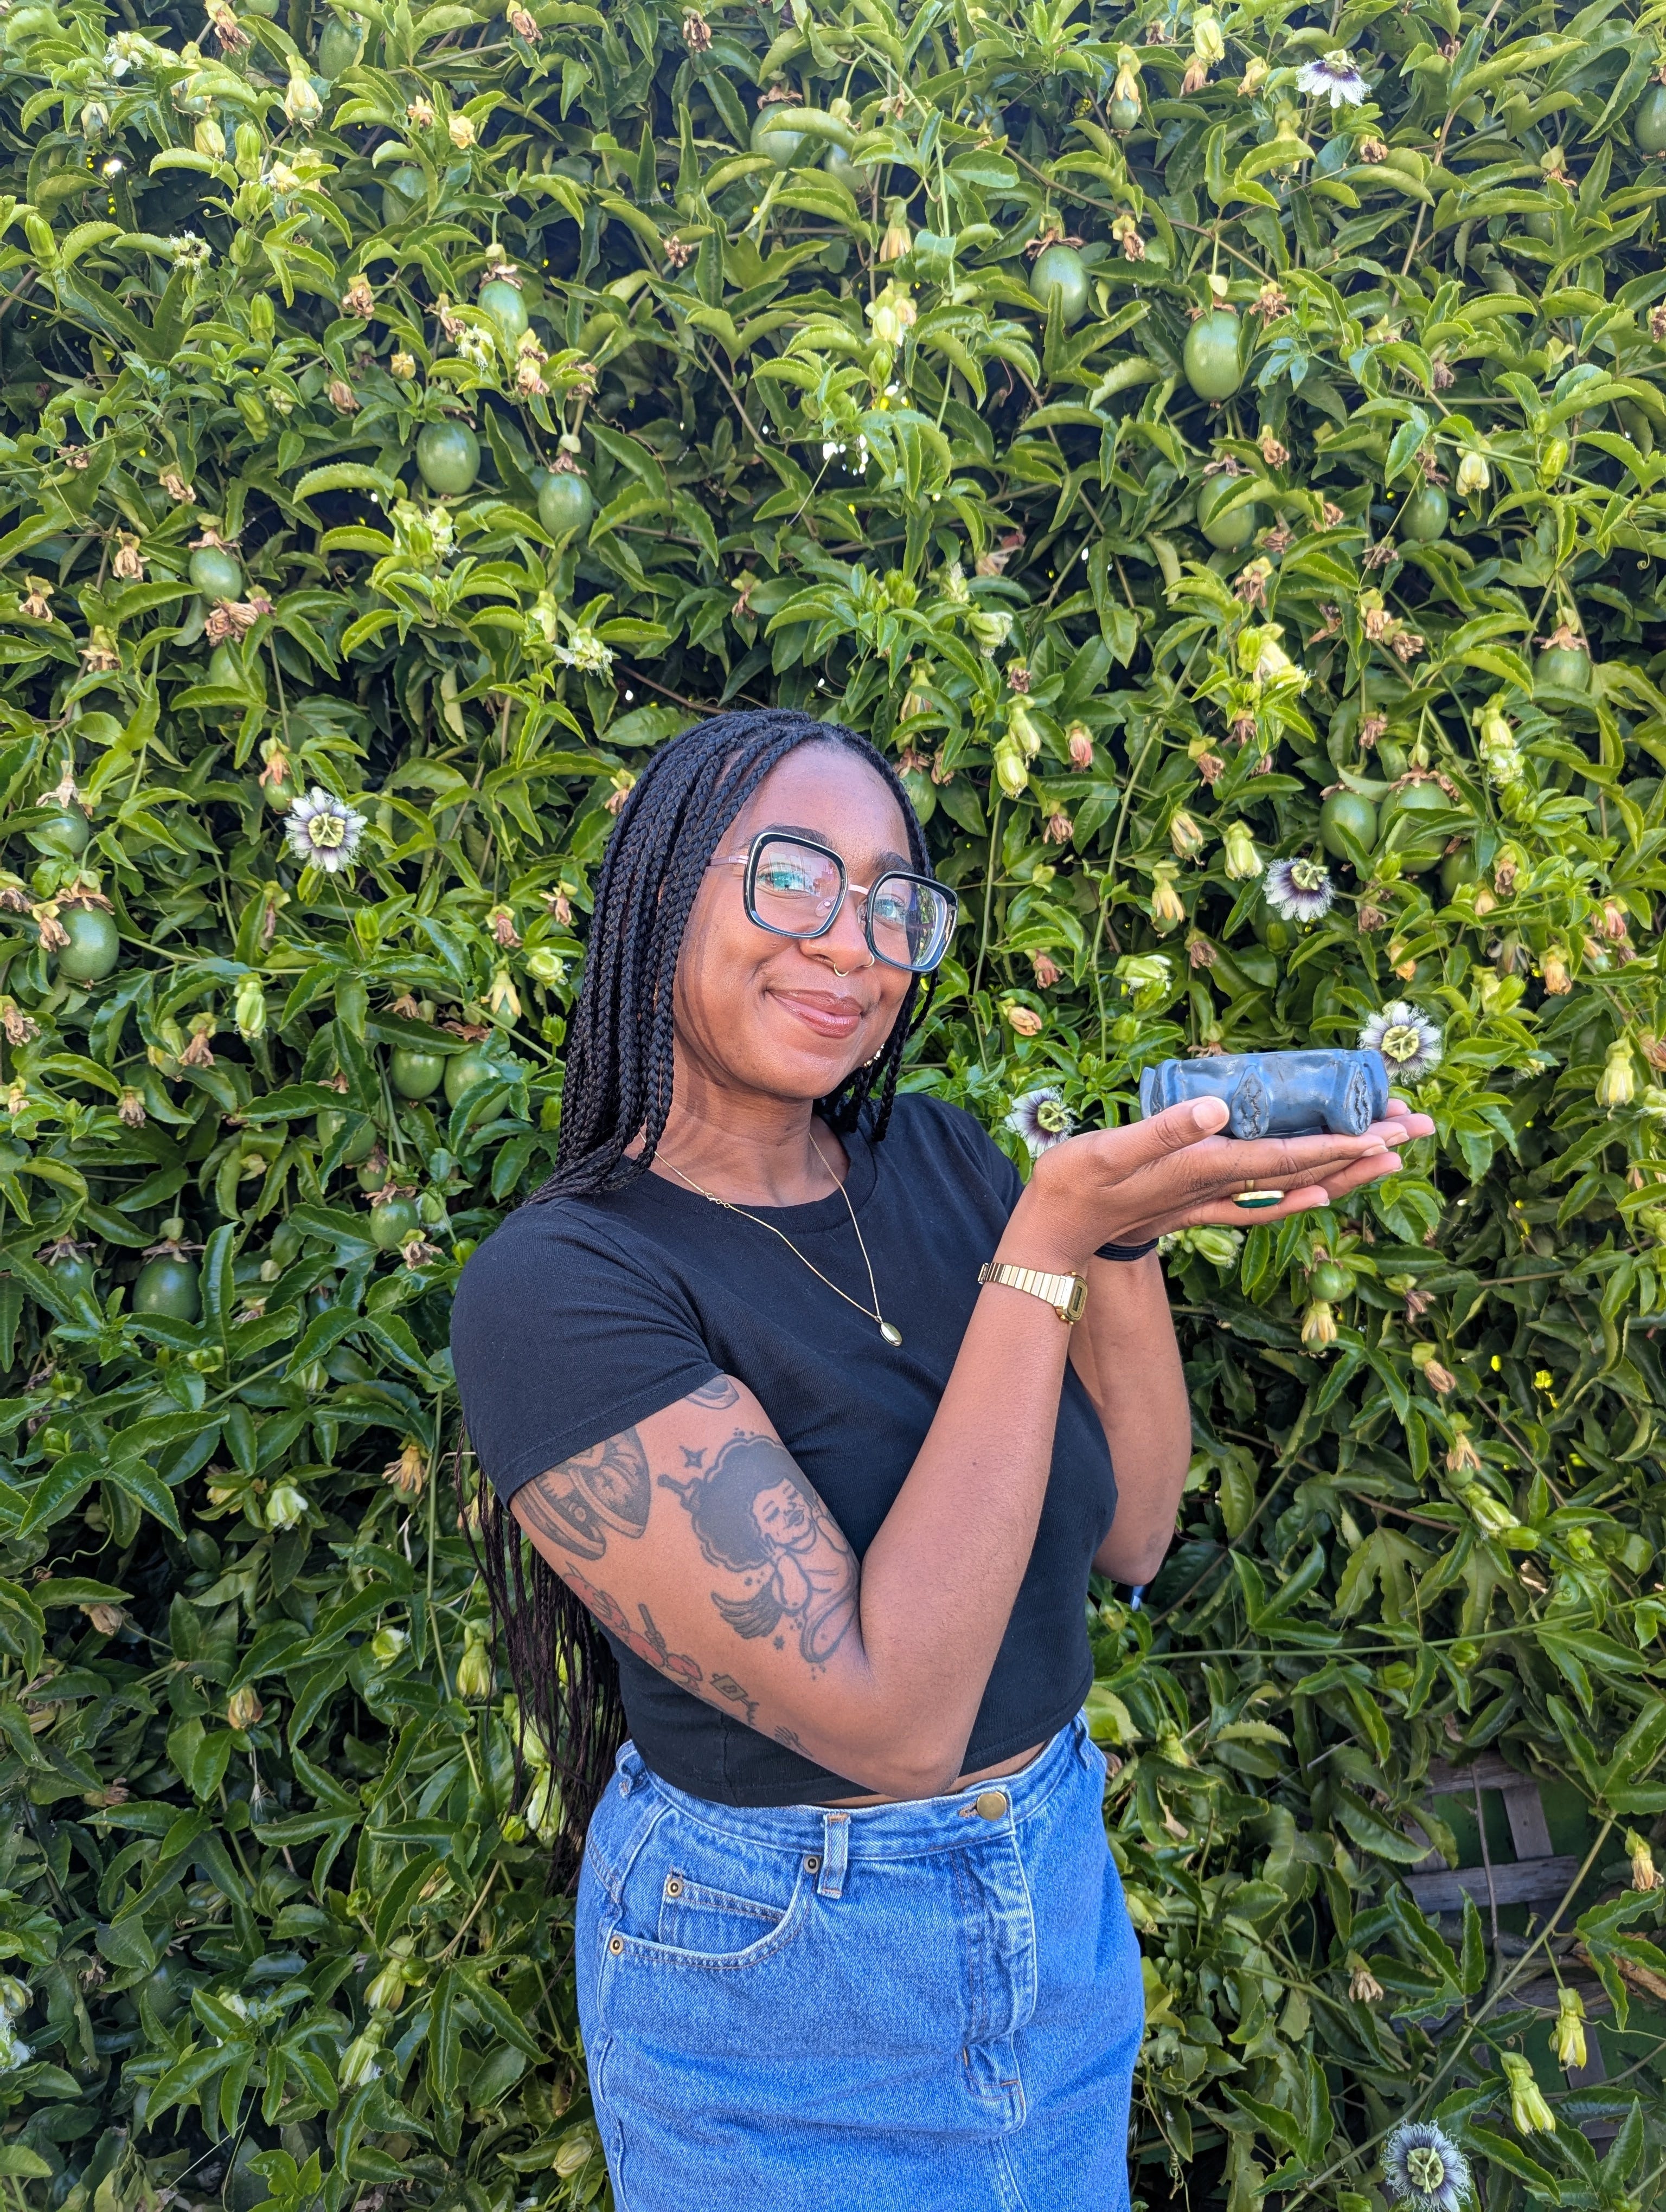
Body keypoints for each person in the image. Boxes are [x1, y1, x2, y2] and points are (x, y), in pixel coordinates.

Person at [450, 706, 1430, 2212]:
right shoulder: (562, 1286)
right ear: (661, 889)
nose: (852, 946)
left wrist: (1121, 1235)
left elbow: (1136, 1532)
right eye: (791, 878)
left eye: (892, 903)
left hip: (1052, 1895)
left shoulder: (950, 1161)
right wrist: (1046, 1244)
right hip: (784, 1986)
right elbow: (895, 1724)